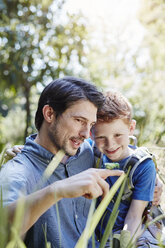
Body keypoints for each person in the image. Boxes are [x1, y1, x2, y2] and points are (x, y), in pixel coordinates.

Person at [0, 77, 123, 248]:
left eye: (91, 124)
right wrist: (55, 191)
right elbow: (3, 232)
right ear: (49, 114)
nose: (86, 133)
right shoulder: (17, 172)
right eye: (79, 121)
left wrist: (149, 166)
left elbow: (122, 148)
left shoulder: (85, 150)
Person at [90, 90, 159, 246]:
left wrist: (123, 244)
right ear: (91, 134)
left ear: (131, 128)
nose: (110, 144)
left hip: (127, 235)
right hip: (94, 237)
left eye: (117, 135)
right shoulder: (91, 152)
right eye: (101, 137)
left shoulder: (143, 166)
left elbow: (134, 217)